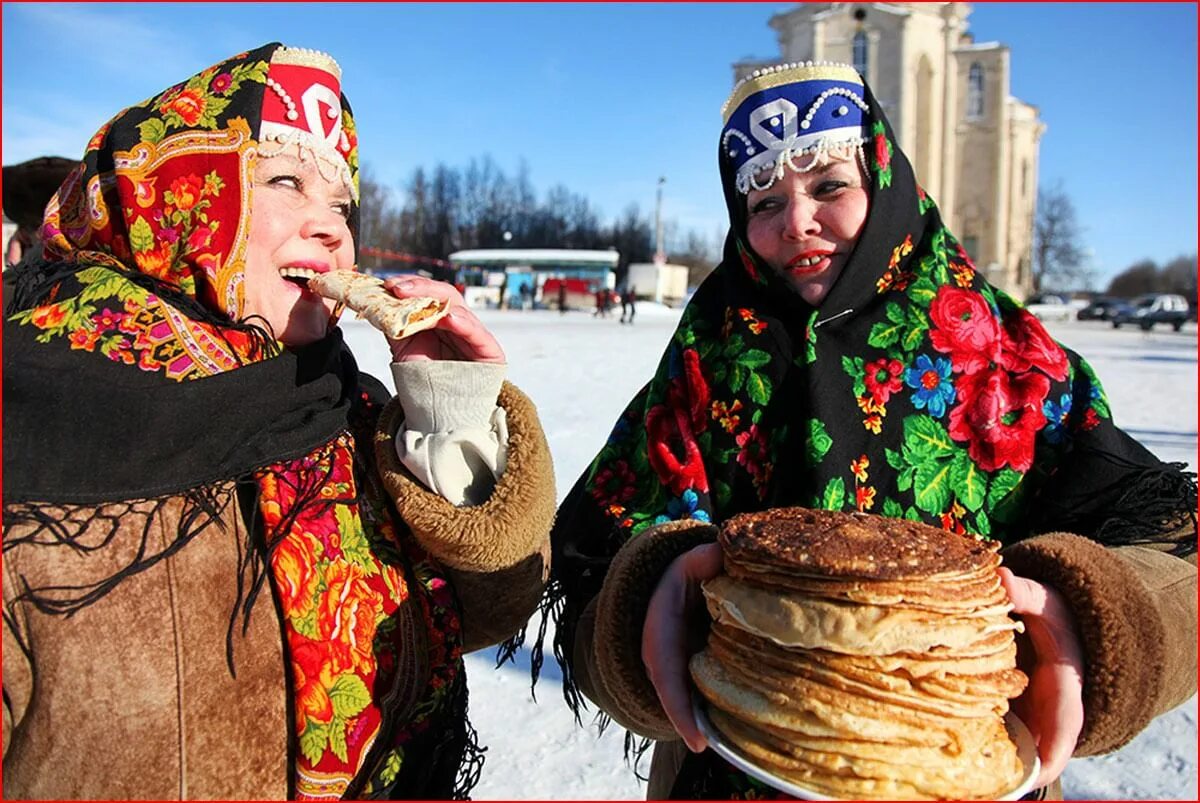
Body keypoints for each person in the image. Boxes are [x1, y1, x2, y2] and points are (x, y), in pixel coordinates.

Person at [515, 62, 1197, 800]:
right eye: (764, 200)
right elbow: (589, 570)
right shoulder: (705, 357)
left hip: (961, 766)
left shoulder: (1004, 357)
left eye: (830, 186)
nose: (796, 221)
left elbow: (1174, 548)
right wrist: (643, 599)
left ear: (885, 180)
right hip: (730, 770)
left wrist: (1093, 617)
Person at [2, 43, 556, 800]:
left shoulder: (345, 405)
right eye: (286, 180)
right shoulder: (32, 407)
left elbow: (484, 610)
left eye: (340, 203)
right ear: (176, 196)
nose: (331, 229)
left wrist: (448, 412)